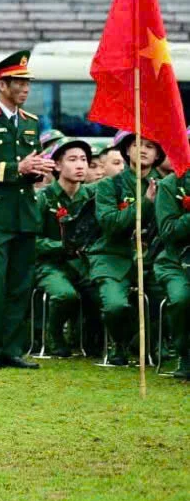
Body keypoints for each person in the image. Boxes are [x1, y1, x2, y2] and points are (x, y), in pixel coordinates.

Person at [0, 50, 55, 371]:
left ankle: (13, 348)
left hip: (24, 213)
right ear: (1, 85)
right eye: (19, 82)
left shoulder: (31, 122)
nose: (25, 88)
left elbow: (31, 165)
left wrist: (39, 169)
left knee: (21, 283)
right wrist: (17, 167)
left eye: (27, 82)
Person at [87, 131, 162, 367]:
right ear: (127, 150)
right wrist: (145, 204)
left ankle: (146, 344)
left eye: (150, 146)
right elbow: (110, 222)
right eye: (137, 144)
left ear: (159, 154)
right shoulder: (109, 185)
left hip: (152, 258)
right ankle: (118, 343)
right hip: (112, 255)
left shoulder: (166, 185)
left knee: (171, 298)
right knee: (115, 305)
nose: (143, 150)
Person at [33, 138, 95, 359]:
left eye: (84, 160)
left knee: (99, 288)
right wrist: (62, 246)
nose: (80, 165)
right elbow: (32, 241)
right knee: (65, 295)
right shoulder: (43, 198)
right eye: (72, 160)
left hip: (82, 261)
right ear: (57, 166)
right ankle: (53, 334)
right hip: (49, 263)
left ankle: (87, 337)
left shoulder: (91, 197)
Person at [154, 133, 190, 378]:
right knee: (181, 298)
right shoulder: (171, 185)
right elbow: (168, 232)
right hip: (176, 261)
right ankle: (185, 355)